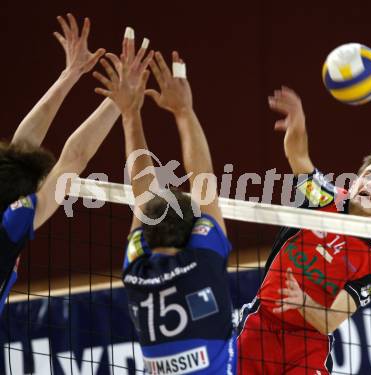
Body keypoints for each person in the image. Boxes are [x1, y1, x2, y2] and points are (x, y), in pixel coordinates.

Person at [237, 87, 371, 374]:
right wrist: (298, 121)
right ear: (354, 182)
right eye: (368, 176)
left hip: (308, 345)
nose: (370, 185)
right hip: (261, 324)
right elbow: (298, 156)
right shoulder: (324, 199)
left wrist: (302, 301)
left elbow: (329, 321)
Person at [94, 35, 236, 373]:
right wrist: (182, 111)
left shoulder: (142, 268)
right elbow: (177, 186)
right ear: (192, 233)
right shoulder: (140, 265)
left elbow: (154, 194)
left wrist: (131, 114)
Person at [0, 14, 121, 314]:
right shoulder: (12, 226)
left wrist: (71, 73)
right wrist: (121, 100)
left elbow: (20, 151)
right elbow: (73, 160)